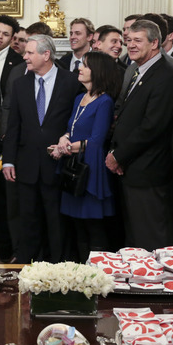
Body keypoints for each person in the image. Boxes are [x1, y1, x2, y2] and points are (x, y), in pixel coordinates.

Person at [107, 20, 173, 251]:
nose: (130, 45)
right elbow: (124, 118)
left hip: (150, 170)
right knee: (135, 239)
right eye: (128, 40)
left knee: (151, 238)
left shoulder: (166, 76)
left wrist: (119, 155)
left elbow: (152, 126)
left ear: (154, 43)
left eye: (137, 40)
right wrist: (117, 153)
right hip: (132, 167)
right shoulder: (137, 71)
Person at [3, 34, 80, 263]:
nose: (24, 56)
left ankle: (57, 265)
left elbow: (75, 122)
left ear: (46, 55)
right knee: (28, 219)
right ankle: (27, 264)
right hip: (26, 165)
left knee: (56, 220)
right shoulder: (20, 83)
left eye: (29, 53)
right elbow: (13, 125)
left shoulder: (71, 82)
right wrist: (8, 160)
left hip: (58, 165)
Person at [51, 52, 120, 261]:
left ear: (98, 72)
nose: (80, 68)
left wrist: (66, 148)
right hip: (74, 166)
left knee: (93, 227)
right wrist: (63, 139)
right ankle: (81, 274)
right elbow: (71, 128)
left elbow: (97, 141)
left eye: (86, 66)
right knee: (77, 227)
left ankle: (100, 276)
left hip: (90, 170)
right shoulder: (79, 98)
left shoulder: (104, 101)